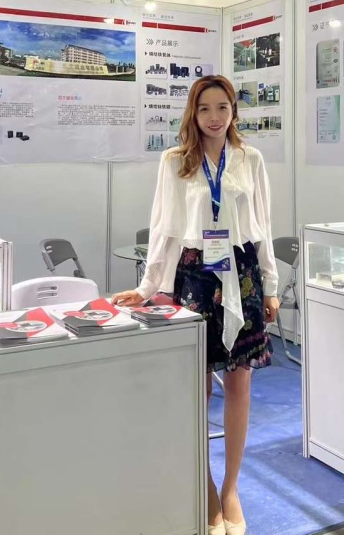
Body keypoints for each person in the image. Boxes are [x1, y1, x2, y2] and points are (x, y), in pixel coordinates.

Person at [113, 75, 279, 535]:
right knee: (197, 387)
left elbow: (263, 224)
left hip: (242, 273)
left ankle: (231, 488)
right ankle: (204, 485)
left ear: (233, 111)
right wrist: (148, 286)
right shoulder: (174, 161)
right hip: (195, 275)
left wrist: (270, 285)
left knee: (240, 384)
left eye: (222, 107)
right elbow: (163, 228)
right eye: (204, 108)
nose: (214, 117)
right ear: (193, 113)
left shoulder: (250, 159)